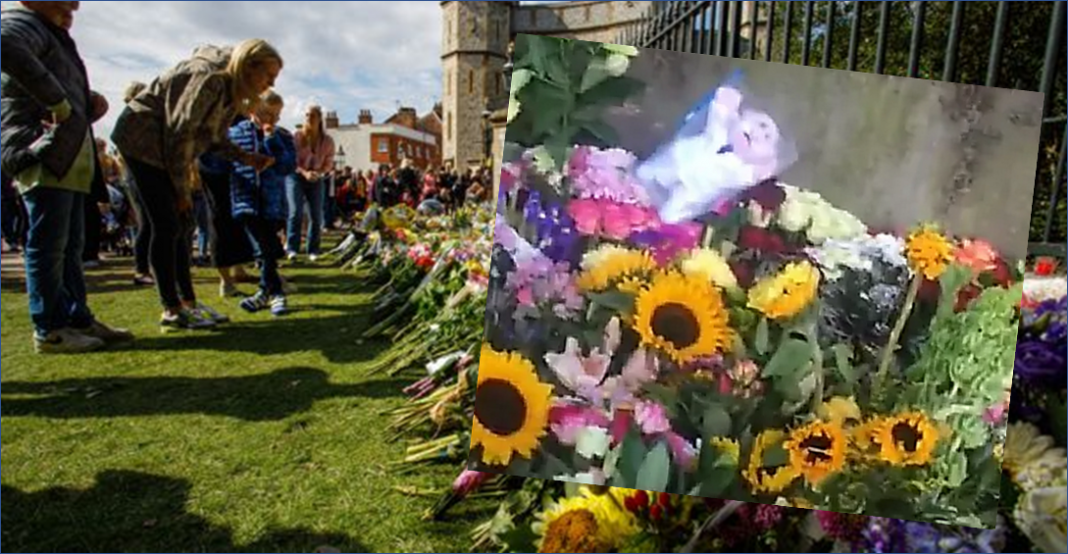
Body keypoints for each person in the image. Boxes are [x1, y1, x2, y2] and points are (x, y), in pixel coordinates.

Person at [111, 39, 281, 332]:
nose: (271, 84)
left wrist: (246, 157)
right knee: (167, 225)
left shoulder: (230, 90)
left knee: (183, 224)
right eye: (269, 75)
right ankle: (172, 309)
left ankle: (188, 303)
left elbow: (213, 137)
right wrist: (181, 191)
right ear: (249, 66)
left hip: (163, 148)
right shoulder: (209, 80)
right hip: (142, 142)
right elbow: (180, 135)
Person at [1, 0, 134, 353]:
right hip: (43, 154)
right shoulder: (22, 23)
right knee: (48, 246)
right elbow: (5, 45)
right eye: (64, 3)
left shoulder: (48, 32)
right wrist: (60, 103)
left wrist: (86, 101)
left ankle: (77, 318)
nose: (73, 8)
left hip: (66, 158)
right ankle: (50, 328)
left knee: (71, 247)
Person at [229, 90, 296, 317]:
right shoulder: (235, 133)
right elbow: (224, 160)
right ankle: (275, 293)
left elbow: (287, 166)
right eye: (269, 114)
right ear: (254, 109)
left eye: (277, 115)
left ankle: (265, 293)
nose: (273, 120)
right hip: (246, 199)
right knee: (265, 248)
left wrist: (271, 139)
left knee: (266, 249)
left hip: (272, 202)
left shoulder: (283, 136)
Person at [199, 129, 256, 299]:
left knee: (236, 218)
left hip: (229, 165)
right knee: (220, 220)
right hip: (214, 165)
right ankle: (226, 282)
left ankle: (238, 271)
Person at [285, 104, 334, 262]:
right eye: (306, 115)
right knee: (295, 212)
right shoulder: (297, 136)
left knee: (316, 215)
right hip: (296, 176)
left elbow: (329, 163)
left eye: (312, 115)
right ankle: (292, 248)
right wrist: (305, 173)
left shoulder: (327, 141)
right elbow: (291, 161)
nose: (308, 118)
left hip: (316, 178)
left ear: (319, 119)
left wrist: (318, 173)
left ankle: (313, 249)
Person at [119, 81, 154, 287]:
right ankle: (141, 270)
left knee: (151, 223)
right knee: (146, 223)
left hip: (140, 174)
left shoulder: (140, 117)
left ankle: (149, 266)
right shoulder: (131, 117)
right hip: (136, 175)